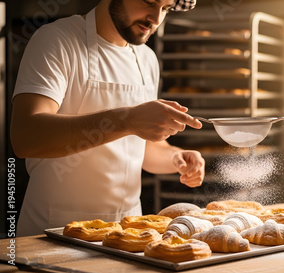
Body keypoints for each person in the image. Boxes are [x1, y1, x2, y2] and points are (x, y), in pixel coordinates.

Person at [10, 0, 203, 236]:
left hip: (128, 234)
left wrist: (176, 158)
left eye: (165, 8)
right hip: (54, 232)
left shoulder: (146, 59)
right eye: (149, 2)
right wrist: (126, 120)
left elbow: (146, 150)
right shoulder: (57, 40)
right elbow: (26, 136)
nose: (156, 19)